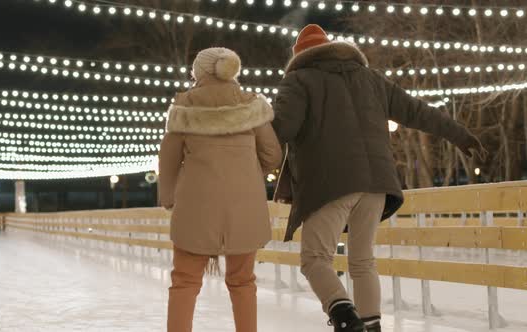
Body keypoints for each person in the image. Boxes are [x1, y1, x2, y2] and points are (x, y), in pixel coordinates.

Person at [272, 25, 486, 332]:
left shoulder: (298, 79)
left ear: (299, 56)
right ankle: (370, 326)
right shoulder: (370, 79)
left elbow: (283, 129)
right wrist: (460, 135)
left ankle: (344, 315)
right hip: (377, 185)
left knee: (315, 259)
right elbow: (417, 110)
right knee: (362, 261)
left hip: (329, 183)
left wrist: (249, 133)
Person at [159, 47, 283, 332]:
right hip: (244, 209)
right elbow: (272, 155)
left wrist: (168, 197)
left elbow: (168, 160)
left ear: (199, 72)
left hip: (194, 209)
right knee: (243, 282)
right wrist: (249, 176)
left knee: (185, 282)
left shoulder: (184, 108)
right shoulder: (251, 105)